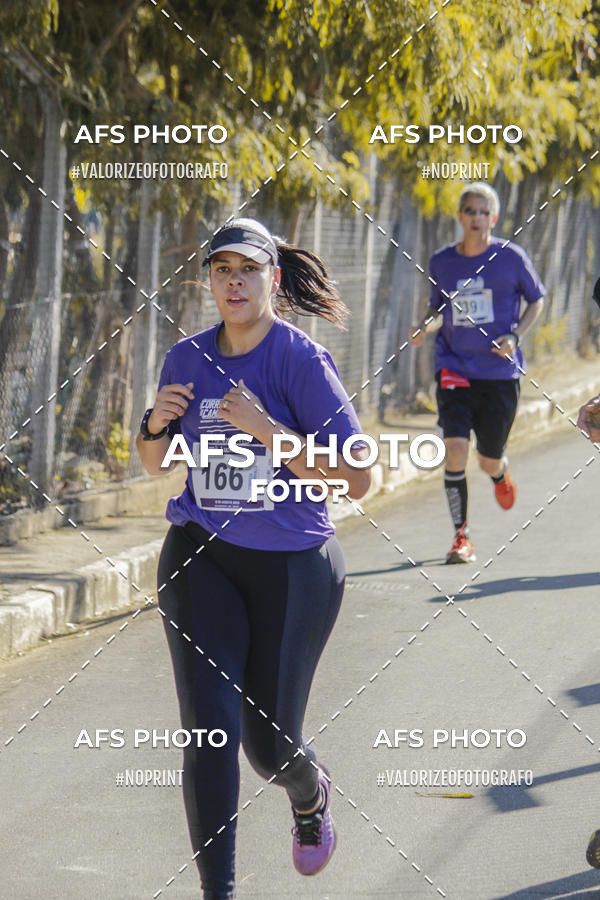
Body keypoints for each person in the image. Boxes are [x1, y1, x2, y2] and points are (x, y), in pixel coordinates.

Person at [136, 217, 371, 900]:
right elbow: (156, 463)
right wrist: (154, 423)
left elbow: (357, 477)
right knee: (209, 733)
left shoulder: (298, 361)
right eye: (220, 270)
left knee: (268, 748)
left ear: (273, 278)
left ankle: (309, 793)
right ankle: (221, 892)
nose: (233, 282)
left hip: (293, 567)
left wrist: (271, 431)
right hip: (200, 556)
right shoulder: (185, 358)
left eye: (247, 269)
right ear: (207, 279)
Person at [409, 182, 545, 563]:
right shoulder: (443, 262)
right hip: (454, 366)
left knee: (487, 458)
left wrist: (516, 336)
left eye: (484, 212)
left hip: (500, 375)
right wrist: (424, 327)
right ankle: (461, 537)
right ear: (460, 215)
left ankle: (499, 473)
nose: (477, 218)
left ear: (494, 218)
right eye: (471, 211)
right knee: (454, 448)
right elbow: (436, 310)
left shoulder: (511, 257)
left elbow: (537, 299)